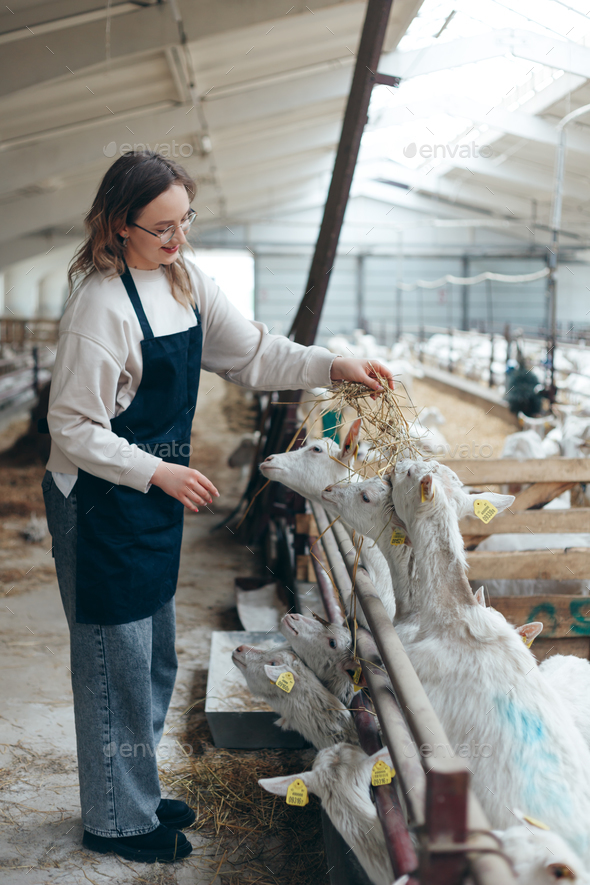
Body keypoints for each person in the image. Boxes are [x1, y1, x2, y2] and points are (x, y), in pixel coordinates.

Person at [41, 150, 393, 864]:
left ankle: (131, 787)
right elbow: (72, 426)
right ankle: (115, 818)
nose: (178, 239)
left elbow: (255, 355)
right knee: (116, 661)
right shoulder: (100, 307)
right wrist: (158, 474)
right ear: (117, 226)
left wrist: (332, 363)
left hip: (148, 494)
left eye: (185, 221)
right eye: (162, 227)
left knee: (155, 657)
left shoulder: (187, 281)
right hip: (101, 501)